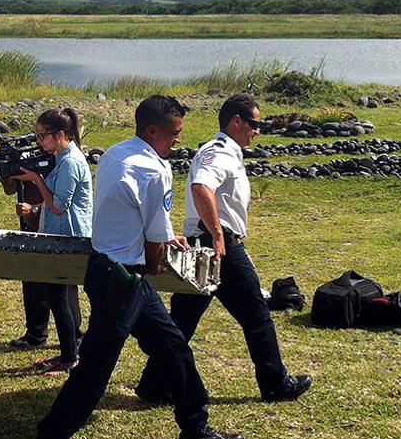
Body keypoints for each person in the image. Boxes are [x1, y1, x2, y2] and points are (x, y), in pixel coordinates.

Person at [25, 95, 244, 439]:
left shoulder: (115, 153)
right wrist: (161, 253)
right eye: (175, 133)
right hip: (123, 280)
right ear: (153, 130)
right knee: (94, 369)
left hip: (110, 271)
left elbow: (132, 216)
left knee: (174, 347)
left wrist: (157, 238)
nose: (179, 140)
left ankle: (195, 427)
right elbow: (154, 249)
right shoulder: (154, 171)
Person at [134, 93, 312, 406]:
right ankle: (275, 382)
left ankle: (154, 384)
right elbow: (201, 187)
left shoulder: (229, 152)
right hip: (218, 245)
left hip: (211, 242)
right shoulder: (218, 153)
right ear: (236, 121)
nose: (257, 130)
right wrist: (218, 235)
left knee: (182, 321)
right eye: (254, 123)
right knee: (257, 316)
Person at [11, 108, 92, 375]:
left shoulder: (70, 162)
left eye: (42, 136)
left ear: (60, 135)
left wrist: (36, 180)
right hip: (57, 234)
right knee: (55, 296)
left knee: (59, 297)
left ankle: (70, 357)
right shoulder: (61, 157)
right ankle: (68, 353)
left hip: (68, 236)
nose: (39, 142)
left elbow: (58, 206)